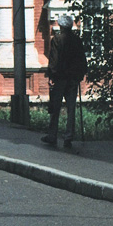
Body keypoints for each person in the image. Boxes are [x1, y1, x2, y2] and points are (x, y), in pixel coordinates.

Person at [42, 15, 88, 148]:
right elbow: (82, 59)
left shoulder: (57, 39)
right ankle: (68, 137)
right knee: (71, 108)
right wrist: (80, 75)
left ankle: (52, 135)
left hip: (61, 77)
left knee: (55, 107)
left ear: (61, 26)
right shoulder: (76, 40)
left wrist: (51, 75)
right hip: (73, 78)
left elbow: (54, 59)